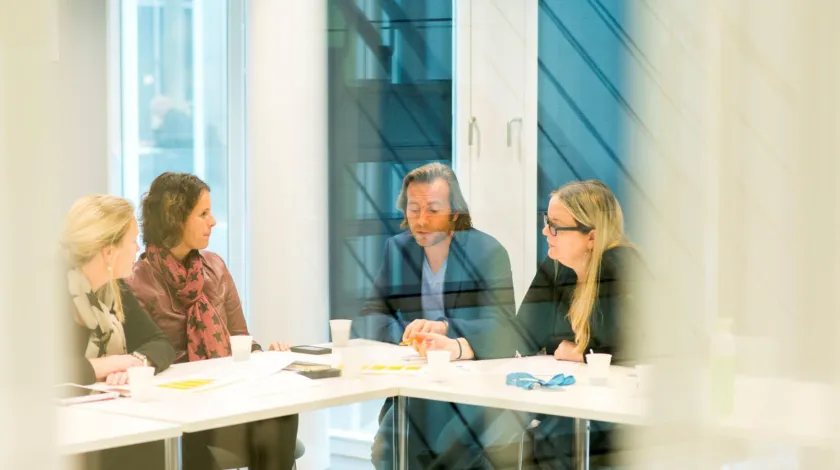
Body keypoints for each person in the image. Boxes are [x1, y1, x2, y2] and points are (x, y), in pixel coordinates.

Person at [421, 179, 644, 469]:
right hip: (562, 395)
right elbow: (522, 332)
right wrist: (457, 346)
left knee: (536, 447)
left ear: (591, 236)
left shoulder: (620, 265)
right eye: (546, 221)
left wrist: (581, 353)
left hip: (614, 409)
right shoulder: (557, 264)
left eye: (555, 226)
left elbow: (637, 346)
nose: (545, 232)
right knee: (458, 438)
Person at [352, 162, 520, 469]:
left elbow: (504, 328)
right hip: (416, 382)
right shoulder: (398, 249)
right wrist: (409, 334)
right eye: (413, 209)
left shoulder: (487, 251)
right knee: (386, 454)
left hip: (471, 385)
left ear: (455, 213)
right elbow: (369, 315)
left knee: (451, 457)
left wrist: (445, 329)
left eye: (432, 210)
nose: (421, 221)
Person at [126, 172, 297, 470]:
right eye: (203, 214)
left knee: (282, 414)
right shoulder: (136, 282)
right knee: (194, 441)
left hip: (229, 396)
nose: (213, 221)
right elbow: (144, 361)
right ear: (175, 219)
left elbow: (242, 341)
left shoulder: (215, 266)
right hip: (176, 407)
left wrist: (267, 357)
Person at [61, 195, 176, 470]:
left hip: (107, 418)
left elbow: (160, 343)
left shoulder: (114, 288)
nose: (138, 248)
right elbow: (39, 372)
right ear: (109, 253)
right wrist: (110, 364)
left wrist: (136, 362)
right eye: (132, 240)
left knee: (148, 439)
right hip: (60, 433)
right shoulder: (49, 290)